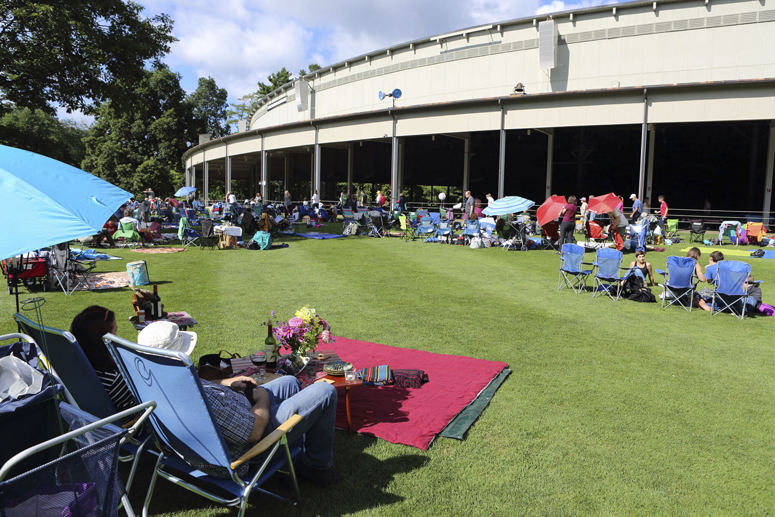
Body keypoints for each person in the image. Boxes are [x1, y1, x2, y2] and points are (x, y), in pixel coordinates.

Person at [70, 306, 136, 412]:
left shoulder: (74, 367)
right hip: (128, 425)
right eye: (115, 331)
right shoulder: (114, 379)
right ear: (105, 338)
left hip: (87, 422)